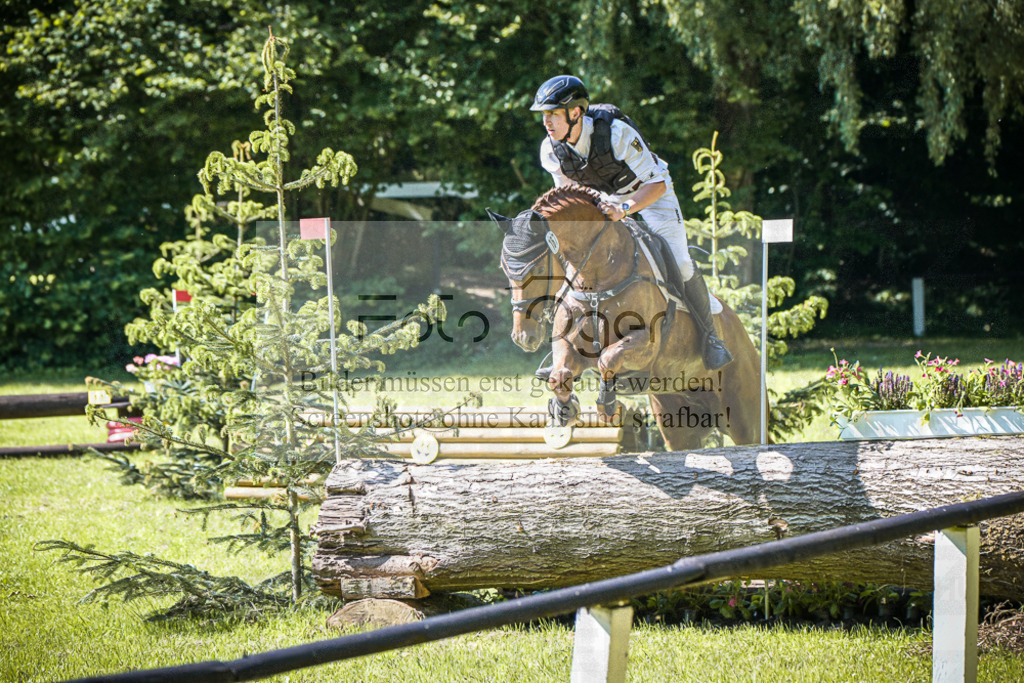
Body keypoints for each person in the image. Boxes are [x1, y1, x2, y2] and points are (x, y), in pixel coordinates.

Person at [530, 74, 733, 370]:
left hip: (647, 192)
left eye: (553, 114)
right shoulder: (550, 150)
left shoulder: (616, 133)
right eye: (544, 115)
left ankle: (710, 337)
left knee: (681, 261)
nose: (546, 121)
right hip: (602, 198)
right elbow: (571, 195)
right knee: (575, 257)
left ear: (575, 113)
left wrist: (624, 208)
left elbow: (657, 185)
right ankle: (563, 344)